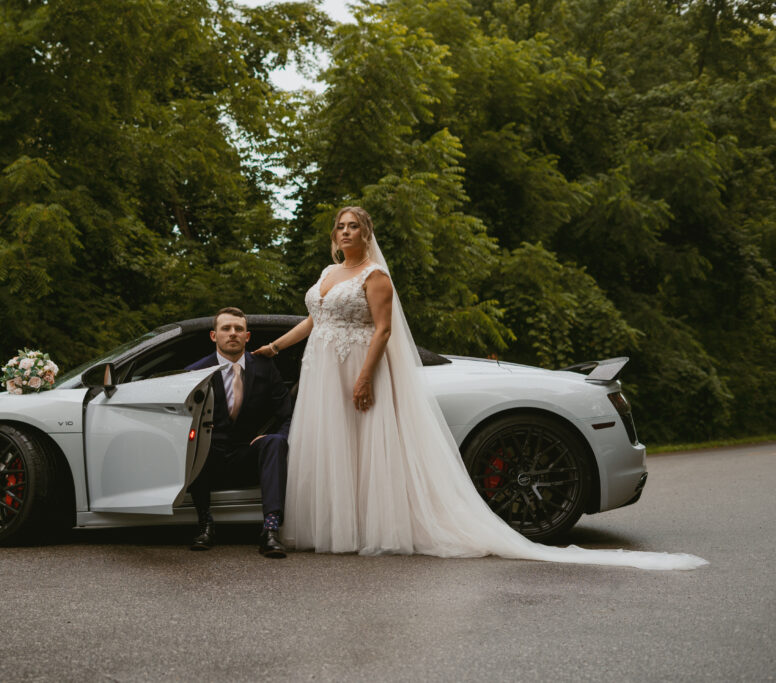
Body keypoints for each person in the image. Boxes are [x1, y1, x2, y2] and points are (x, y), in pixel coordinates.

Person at [253, 207, 707, 570]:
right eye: (341, 226)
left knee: (367, 446)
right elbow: (316, 321)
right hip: (320, 371)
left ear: (367, 235)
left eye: (354, 226)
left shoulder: (376, 277)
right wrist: (274, 346)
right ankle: (337, 526)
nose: (346, 231)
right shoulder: (328, 275)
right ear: (334, 236)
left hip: (356, 366)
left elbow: (384, 331)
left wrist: (365, 377)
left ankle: (371, 529)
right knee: (334, 447)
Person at [185, 307, 293, 558]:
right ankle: (205, 524)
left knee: (275, 442)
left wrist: (279, 437)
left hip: (246, 452)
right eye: (226, 328)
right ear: (214, 336)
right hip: (208, 456)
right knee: (193, 442)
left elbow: (286, 413)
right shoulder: (195, 372)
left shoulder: (265, 368)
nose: (232, 333)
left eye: (238, 329)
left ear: (247, 336)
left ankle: (270, 529)